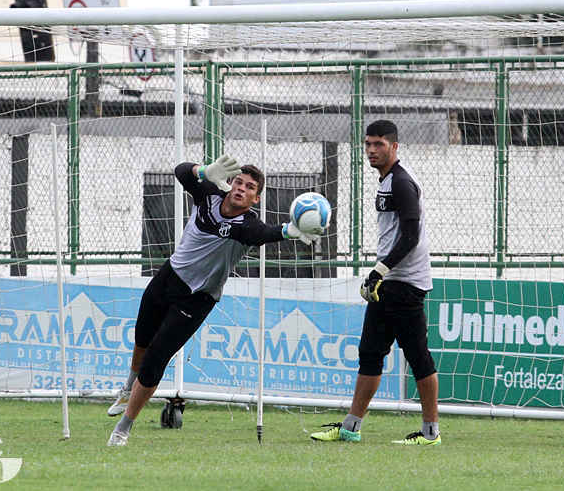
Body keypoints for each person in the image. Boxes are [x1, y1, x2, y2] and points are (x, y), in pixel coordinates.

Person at [108, 154, 318, 446]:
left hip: (197, 299)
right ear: (230, 182)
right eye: (238, 182)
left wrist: (287, 231)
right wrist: (204, 171)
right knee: (141, 338)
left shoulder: (247, 224)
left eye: (250, 187)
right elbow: (180, 172)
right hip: (168, 277)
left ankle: (123, 428)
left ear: (255, 199)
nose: (241, 188)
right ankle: (128, 387)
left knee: (156, 359)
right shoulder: (208, 194)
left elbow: (262, 234)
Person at [310, 119, 440, 446]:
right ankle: (350, 428)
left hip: (404, 283)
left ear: (394, 146)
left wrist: (379, 270)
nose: (371, 150)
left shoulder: (402, 183)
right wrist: (381, 273)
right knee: (369, 353)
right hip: (388, 282)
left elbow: (410, 237)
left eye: (379, 144)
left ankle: (430, 433)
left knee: (417, 356)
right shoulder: (386, 180)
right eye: (368, 144)